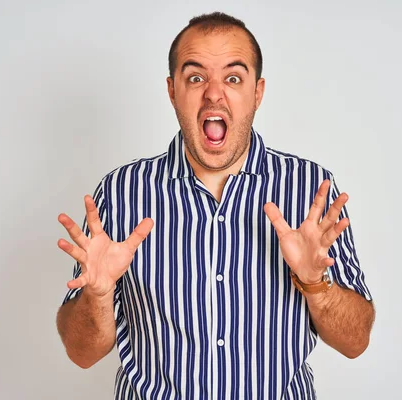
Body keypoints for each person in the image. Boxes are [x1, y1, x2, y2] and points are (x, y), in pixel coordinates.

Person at [56, 11, 375, 400]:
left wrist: (316, 287)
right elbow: (81, 353)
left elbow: (355, 341)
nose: (213, 93)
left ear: (257, 92)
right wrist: (99, 295)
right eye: (195, 77)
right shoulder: (121, 193)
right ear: (172, 91)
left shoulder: (309, 190)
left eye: (233, 78)